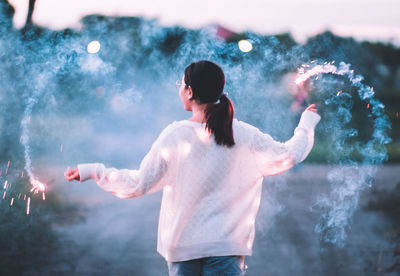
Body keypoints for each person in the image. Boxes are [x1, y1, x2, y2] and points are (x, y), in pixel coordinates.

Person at [64, 60, 320, 276]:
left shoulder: (176, 135)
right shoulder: (244, 134)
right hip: (227, 250)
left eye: (181, 84)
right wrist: (306, 123)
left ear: (189, 91)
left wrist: (94, 171)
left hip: (184, 249)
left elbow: (139, 183)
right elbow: (290, 154)